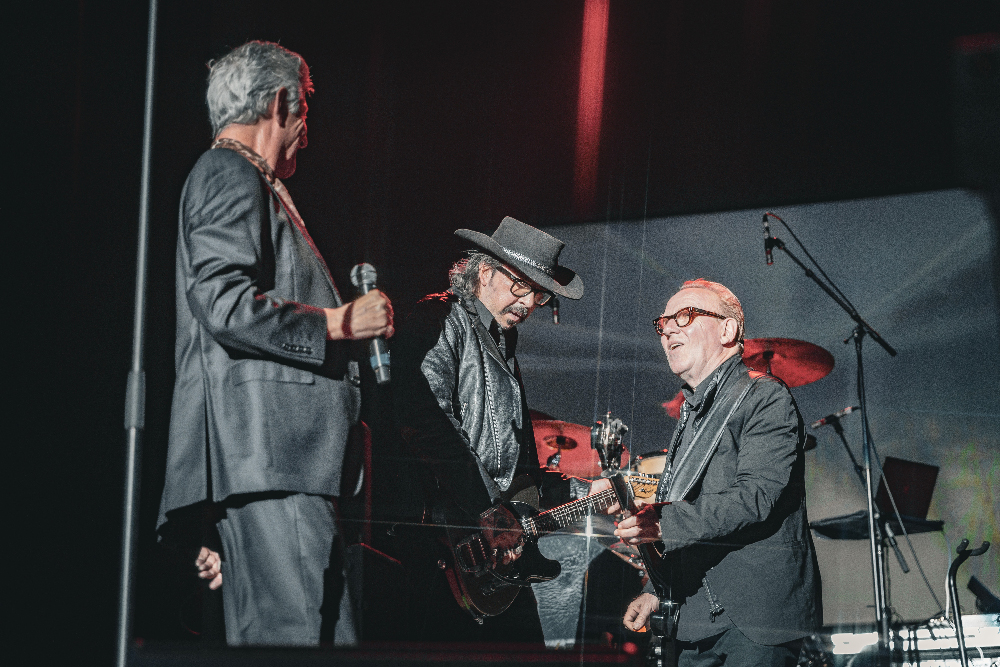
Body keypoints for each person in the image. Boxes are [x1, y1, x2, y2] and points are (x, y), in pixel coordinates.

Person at [156, 41, 393, 646]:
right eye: (304, 114)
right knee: (302, 640)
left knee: (301, 637)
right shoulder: (227, 172)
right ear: (283, 102)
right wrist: (338, 324)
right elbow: (223, 303)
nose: (305, 136)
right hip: (272, 458)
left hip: (276, 460)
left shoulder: (245, 179)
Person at [593, 279, 821, 666]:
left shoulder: (765, 398)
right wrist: (654, 589)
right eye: (663, 322)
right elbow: (688, 507)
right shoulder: (693, 412)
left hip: (755, 618)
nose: (668, 329)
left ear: (728, 330)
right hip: (695, 616)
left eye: (685, 316)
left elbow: (757, 497)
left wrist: (662, 521)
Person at [391, 216, 583, 643]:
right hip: (445, 544)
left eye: (538, 292)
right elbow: (424, 418)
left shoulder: (499, 341)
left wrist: (584, 493)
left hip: (488, 552)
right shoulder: (440, 318)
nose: (530, 301)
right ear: (482, 270)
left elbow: (510, 462)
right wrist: (486, 507)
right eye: (520, 285)